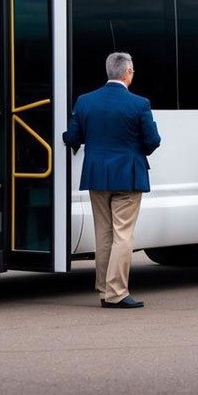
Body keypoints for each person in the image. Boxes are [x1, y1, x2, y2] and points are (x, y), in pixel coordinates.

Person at [63, 52, 161, 309]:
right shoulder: (139, 104)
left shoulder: (85, 101)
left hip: (97, 175)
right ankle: (117, 292)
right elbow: (152, 141)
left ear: (109, 72)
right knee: (122, 235)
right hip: (128, 177)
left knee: (103, 234)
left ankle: (105, 290)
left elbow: (72, 136)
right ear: (127, 73)